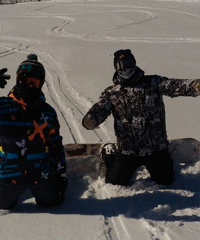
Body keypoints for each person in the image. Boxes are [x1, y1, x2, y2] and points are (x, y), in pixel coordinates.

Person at [82, 49, 200, 186]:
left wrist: (195, 86)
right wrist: (92, 118)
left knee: (166, 181)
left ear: (134, 63)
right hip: (128, 150)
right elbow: (101, 107)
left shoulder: (153, 83)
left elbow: (175, 85)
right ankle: (108, 154)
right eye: (121, 65)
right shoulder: (112, 93)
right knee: (114, 182)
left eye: (128, 63)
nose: (125, 68)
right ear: (116, 67)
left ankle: (166, 158)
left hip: (156, 148)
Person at [0, 54, 67, 210]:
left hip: (40, 173)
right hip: (9, 173)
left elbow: (56, 144)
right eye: (27, 81)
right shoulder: (2, 105)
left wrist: (61, 173)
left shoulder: (47, 112)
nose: (31, 86)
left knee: (55, 202)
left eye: (35, 82)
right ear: (19, 80)